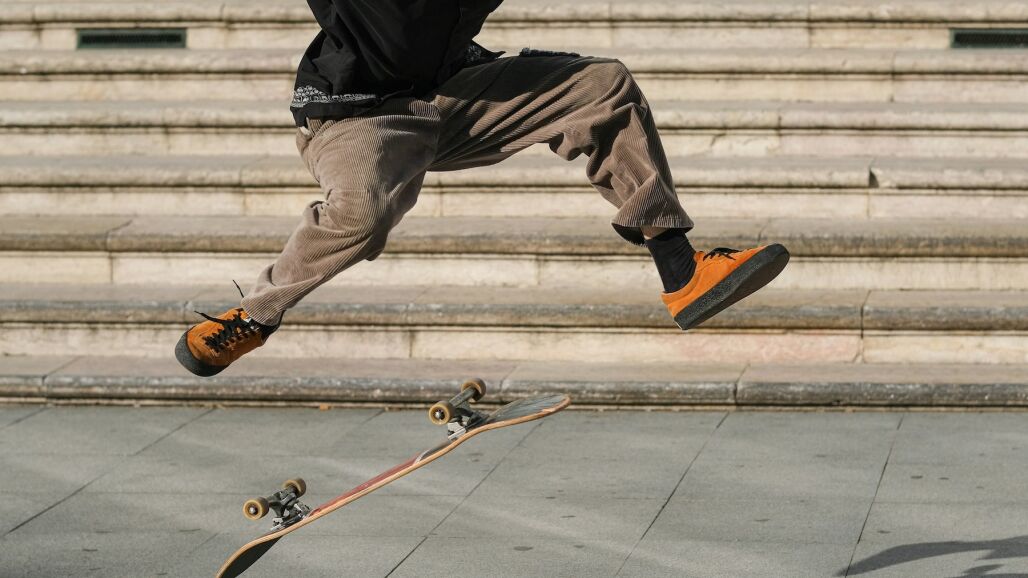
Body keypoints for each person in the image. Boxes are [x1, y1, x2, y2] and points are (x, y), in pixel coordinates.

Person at [175, 0, 790, 377]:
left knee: (601, 85)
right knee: (363, 213)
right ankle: (253, 317)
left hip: (455, 97)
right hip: (358, 115)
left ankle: (681, 273)